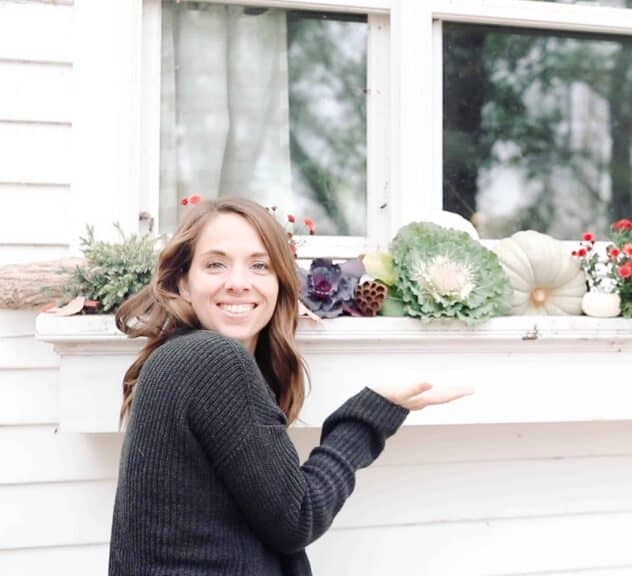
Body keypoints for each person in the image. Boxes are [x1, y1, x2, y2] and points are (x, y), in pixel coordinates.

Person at [108, 197, 470, 575]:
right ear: (183, 283)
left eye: (259, 266)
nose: (237, 283)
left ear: (281, 284)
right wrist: (370, 414)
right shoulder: (210, 360)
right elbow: (298, 517)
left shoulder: (182, 360)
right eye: (216, 264)